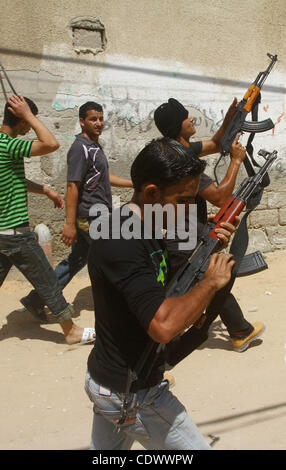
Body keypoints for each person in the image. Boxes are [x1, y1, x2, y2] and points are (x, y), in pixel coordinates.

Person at [85, 138, 238, 450]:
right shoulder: (120, 239)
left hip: (110, 381)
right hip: (133, 392)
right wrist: (210, 282)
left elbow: (162, 285)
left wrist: (206, 248)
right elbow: (164, 325)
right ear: (152, 192)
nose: (188, 211)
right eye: (182, 201)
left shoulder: (144, 225)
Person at [154, 98, 265, 352]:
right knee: (196, 282)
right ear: (177, 126)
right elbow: (219, 196)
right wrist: (237, 161)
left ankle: (239, 330)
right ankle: (156, 344)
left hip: (187, 230)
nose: (191, 118)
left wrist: (232, 116)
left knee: (205, 279)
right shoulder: (183, 161)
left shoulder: (179, 149)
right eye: (186, 117)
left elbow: (216, 144)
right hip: (184, 237)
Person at [21, 101, 133, 320]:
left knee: (77, 259)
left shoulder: (94, 146)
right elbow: (72, 186)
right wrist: (70, 224)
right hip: (90, 216)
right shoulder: (79, 148)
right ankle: (121, 306)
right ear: (82, 121)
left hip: (98, 214)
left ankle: (36, 299)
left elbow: (103, 177)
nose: (98, 123)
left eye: (101, 118)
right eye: (93, 119)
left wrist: (132, 183)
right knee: (113, 256)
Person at [0, 94, 94, 345]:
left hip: (2, 234)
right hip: (16, 233)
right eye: (28, 122)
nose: (30, 126)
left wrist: (45, 189)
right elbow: (51, 144)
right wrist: (28, 114)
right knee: (48, 281)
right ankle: (70, 330)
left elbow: (13, 180)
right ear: (19, 119)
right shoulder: (9, 145)